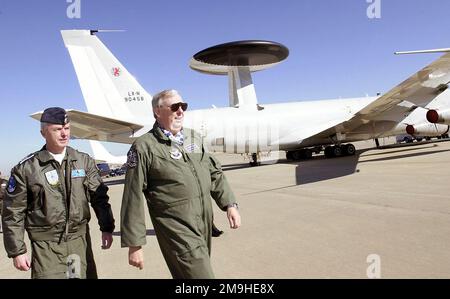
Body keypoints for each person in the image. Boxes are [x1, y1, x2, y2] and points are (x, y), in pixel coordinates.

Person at [121, 89, 241, 278]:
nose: (180, 111)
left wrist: (229, 204)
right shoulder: (144, 146)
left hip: (203, 223)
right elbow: (132, 195)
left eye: (183, 106)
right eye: (175, 107)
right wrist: (134, 244)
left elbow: (213, 172)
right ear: (157, 112)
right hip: (176, 228)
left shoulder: (194, 138)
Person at [1, 107, 115, 279]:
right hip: (46, 247)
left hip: (78, 242)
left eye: (67, 129)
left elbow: (99, 198)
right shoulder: (27, 168)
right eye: (57, 129)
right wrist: (17, 251)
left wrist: (107, 227)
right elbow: (13, 212)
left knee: (77, 277)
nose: (64, 134)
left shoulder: (83, 161)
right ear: (43, 133)